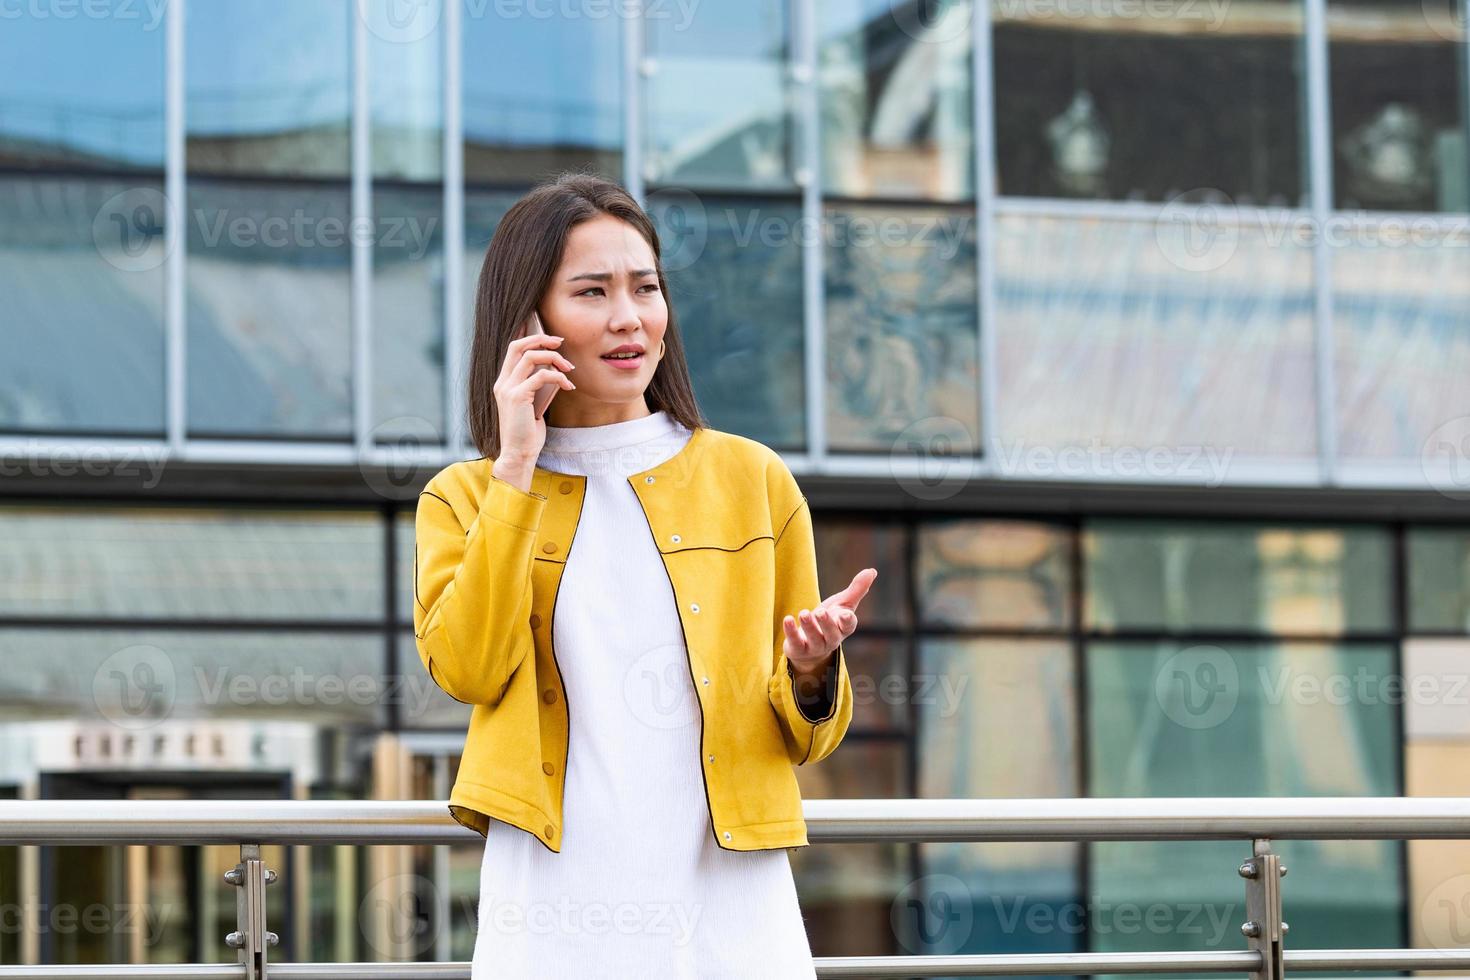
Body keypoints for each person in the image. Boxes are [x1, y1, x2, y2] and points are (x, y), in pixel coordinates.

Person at [413, 172, 877, 977]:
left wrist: (810, 672)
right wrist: (516, 464)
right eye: (592, 291)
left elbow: (810, 738)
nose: (629, 317)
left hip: (727, 896)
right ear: (529, 322)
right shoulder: (464, 496)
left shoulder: (752, 480)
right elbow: (467, 668)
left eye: (646, 288)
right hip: (554, 895)